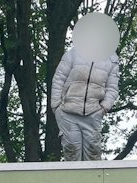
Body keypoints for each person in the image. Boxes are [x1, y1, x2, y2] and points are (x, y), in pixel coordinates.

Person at [50, 14, 120, 161]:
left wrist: (104, 108)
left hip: (93, 113)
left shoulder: (112, 60)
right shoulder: (73, 54)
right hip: (68, 112)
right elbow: (59, 79)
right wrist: (56, 106)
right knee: (71, 151)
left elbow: (112, 88)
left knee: (93, 153)